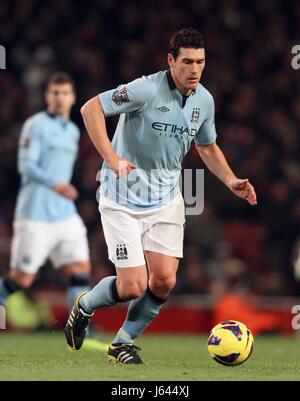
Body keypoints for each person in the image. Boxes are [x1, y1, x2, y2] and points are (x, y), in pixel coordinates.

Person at [65, 27, 257, 364]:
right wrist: (111, 158)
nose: (194, 69)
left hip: (166, 201)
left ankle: (122, 342)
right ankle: (84, 307)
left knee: (165, 281)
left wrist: (230, 180)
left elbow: (207, 146)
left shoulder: (204, 101)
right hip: (121, 200)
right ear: (171, 61)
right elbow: (89, 109)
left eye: (200, 62)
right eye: (187, 62)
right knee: (132, 287)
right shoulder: (145, 89)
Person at [0, 72, 100, 348]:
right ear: (47, 96)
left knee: (80, 267)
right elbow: (26, 166)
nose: (59, 98)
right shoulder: (35, 125)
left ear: (72, 97)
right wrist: (55, 184)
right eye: (54, 93)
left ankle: (80, 328)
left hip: (64, 213)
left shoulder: (72, 131)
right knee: (22, 278)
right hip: (34, 213)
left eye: (64, 93)